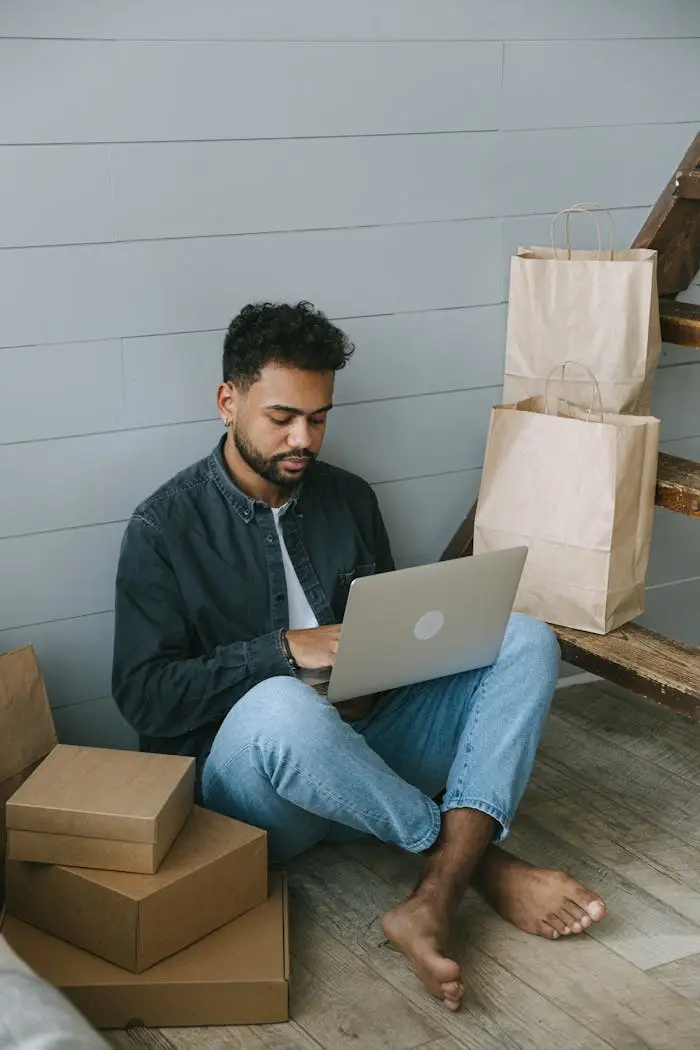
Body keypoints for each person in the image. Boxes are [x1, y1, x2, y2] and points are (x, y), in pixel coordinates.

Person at [113, 301, 605, 1012]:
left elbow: (399, 634)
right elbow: (145, 697)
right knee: (281, 705)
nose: (302, 438)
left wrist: (390, 668)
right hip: (262, 794)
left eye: (318, 417)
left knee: (526, 637)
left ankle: (431, 896)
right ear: (228, 401)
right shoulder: (162, 528)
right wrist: (282, 650)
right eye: (281, 417)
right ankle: (475, 866)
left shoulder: (348, 498)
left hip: (369, 747)